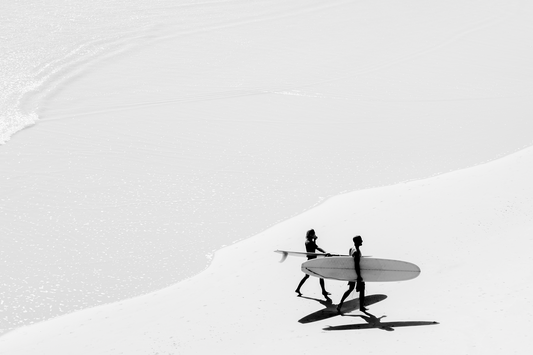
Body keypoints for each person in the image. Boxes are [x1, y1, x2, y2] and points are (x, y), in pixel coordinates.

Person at [295, 229, 330, 298]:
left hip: (311, 261)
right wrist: (325, 252)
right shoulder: (309, 242)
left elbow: (314, 247)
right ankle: (323, 291)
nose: (314, 235)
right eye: (313, 234)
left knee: (308, 276)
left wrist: (314, 240)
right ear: (311, 235)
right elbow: (316, 247)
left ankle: (298, 289)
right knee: (320, 275)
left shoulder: (308, 241)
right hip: (312, 262)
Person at [337, 235, 366, 313]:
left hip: (351, 273)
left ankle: (340, 303)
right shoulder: (356, 252)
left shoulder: (351, 249)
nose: (362, 241)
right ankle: (361, 307)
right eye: (360, 240)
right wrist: (359, 276)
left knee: (350, 289)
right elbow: (356, 265)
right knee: (362, 288)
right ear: (357, 242)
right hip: (356, 273)